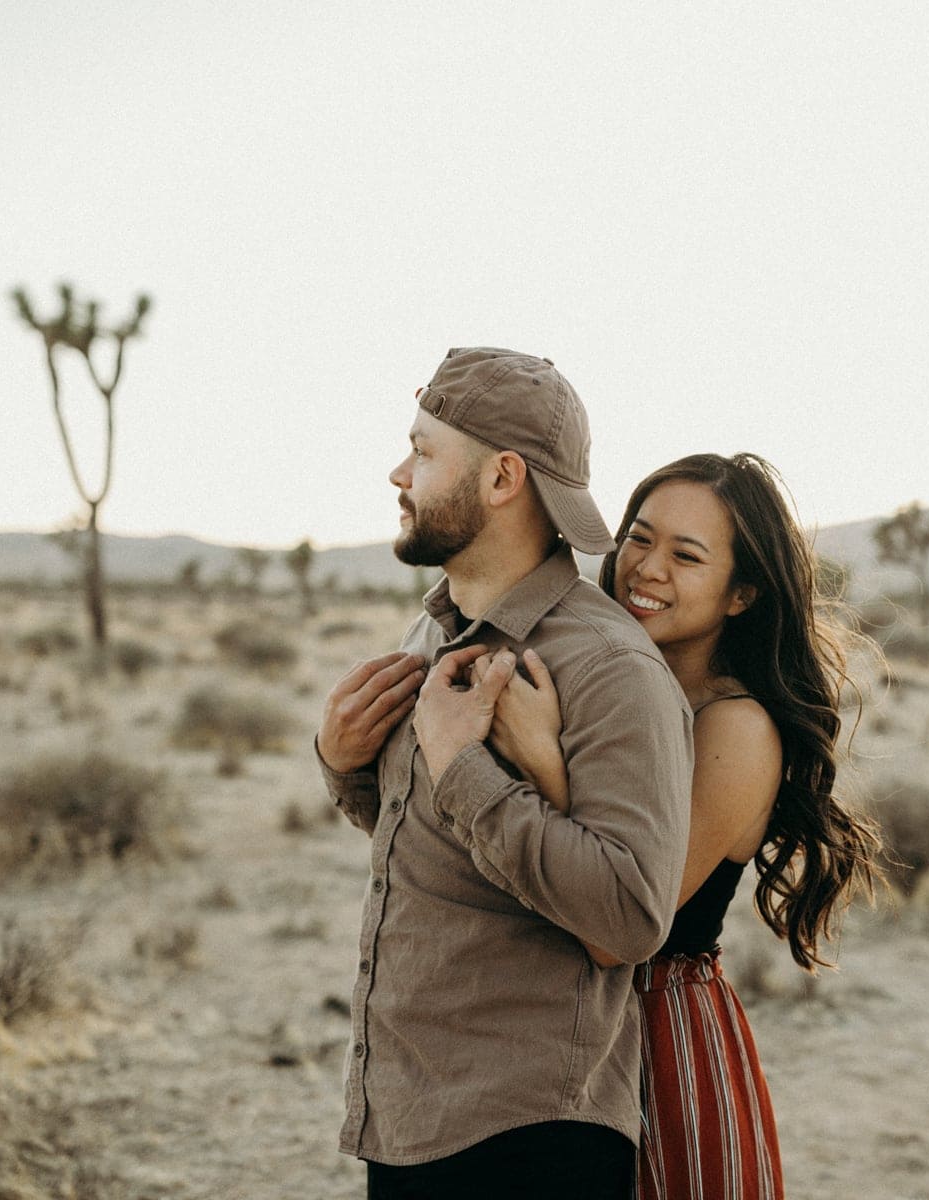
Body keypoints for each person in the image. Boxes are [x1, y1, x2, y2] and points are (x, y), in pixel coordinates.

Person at [315, 347, 694, 1199]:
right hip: (413, 1113)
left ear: (502, 479)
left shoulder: (606, 668)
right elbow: (445, 843)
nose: (397, 472)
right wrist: (343, 766)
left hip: (528, 1138)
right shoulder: (437, 634)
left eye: (423, 450)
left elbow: (632, 915)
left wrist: (460, 764)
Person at [474, 452, 884, 1200]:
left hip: (655, 1036)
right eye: (639, 537)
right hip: (545, 1026)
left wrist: (542, 759)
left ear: (742, 594)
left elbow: (620, 924)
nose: (647, 569)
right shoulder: (604, 684)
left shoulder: (738, 729)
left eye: (687, 556)